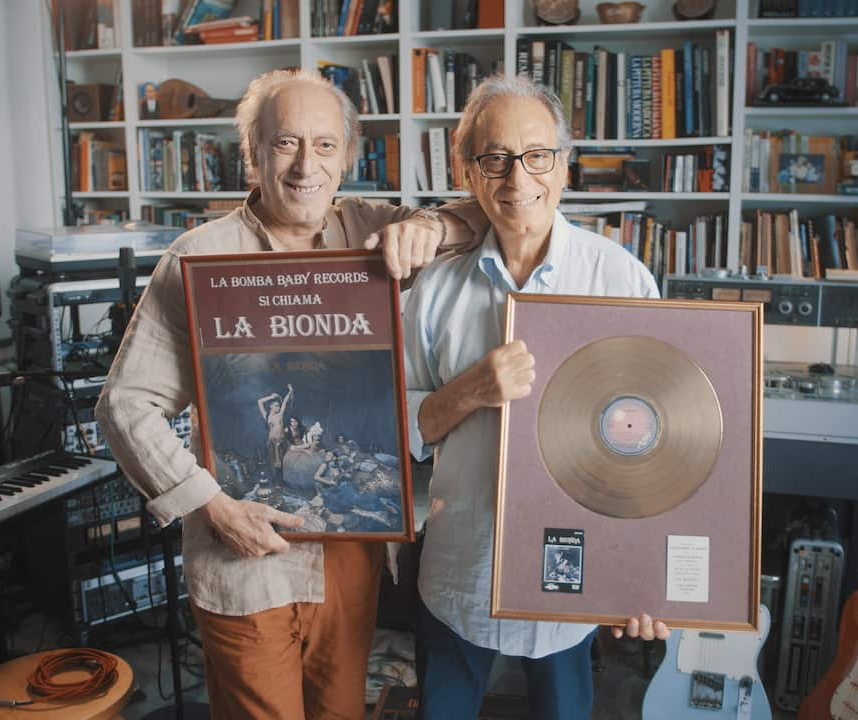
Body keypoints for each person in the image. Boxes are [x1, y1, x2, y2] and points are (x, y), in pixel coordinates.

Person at [95, 68, 484, 720]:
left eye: (325, 145)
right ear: (251, 153)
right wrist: (213, 507)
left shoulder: (374, 228)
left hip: (350, 555)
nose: (307, 165)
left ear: (348, 157)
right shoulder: (197, 257)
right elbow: (125, 405)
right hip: (246, 553)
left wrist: (431, 229)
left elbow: (481, 212)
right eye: (285, 144)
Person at [401, 75, 670, 720]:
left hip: (575, 579)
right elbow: (397, 430)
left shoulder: (622, 280)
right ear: (468, 172)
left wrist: (645, 575)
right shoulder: (432, 290)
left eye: (536, 155)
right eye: (494, 157)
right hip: (459, 570)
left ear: (564, 166)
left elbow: (659, 442)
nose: (517, 178)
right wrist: (469, 390)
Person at [258, 385, 293, 471]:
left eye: (279, 406)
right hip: (272, 442)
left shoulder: (280, 415)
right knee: (273, 463)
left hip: (281, 441)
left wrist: (290, 391)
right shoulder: (266, 416)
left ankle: (282, 481)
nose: (279, 407)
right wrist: (271, 397)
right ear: (271, 406)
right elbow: (260, 401)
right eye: (276, 406)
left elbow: (284, 402)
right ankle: (275, 482)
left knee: (283, 462)